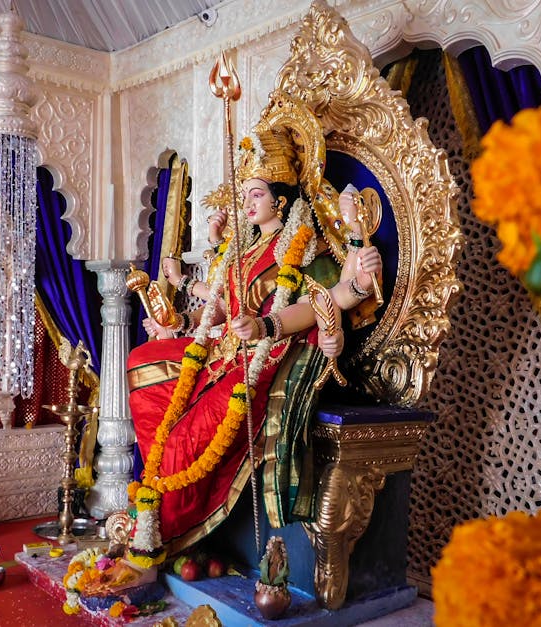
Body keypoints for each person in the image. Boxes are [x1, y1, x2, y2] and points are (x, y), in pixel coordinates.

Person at [125, 95, 382, 563]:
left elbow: (330, 298)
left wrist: (357, 281)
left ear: (281, 200)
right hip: (224, 349)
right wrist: (180, 319)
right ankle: (154, 493)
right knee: (140, 363)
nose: (246, 202)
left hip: (267, 358)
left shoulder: (302, 247)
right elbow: (223, 311)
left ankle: (160, 525)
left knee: (184, 439)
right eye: (244, 194)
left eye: (256, 194)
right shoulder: (243, 251)